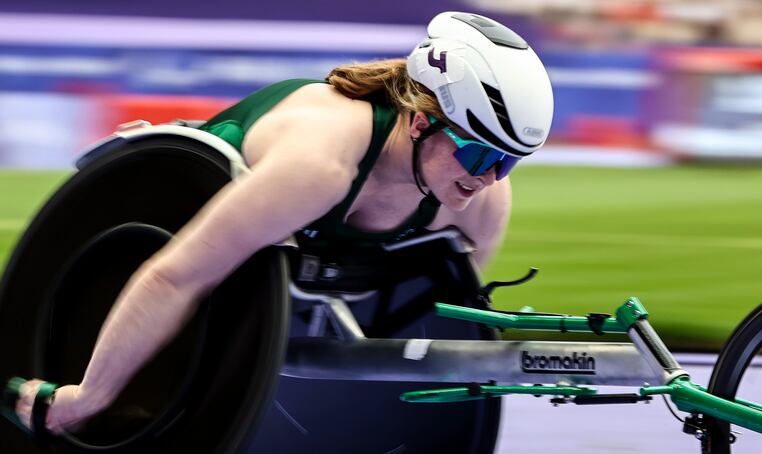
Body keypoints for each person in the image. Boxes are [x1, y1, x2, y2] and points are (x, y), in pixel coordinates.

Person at [11, 11, 553, 435]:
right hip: (174, 207)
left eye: (508, 162)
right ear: (419, 123)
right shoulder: (319, 166)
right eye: (480, 157)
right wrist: (85, 400)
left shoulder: (479, 203)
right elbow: (174, 277)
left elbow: (418, 333)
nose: (489, 179)